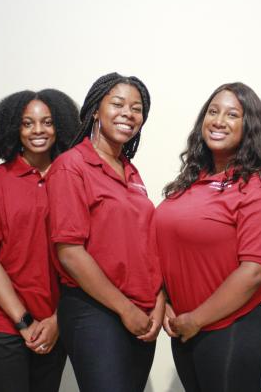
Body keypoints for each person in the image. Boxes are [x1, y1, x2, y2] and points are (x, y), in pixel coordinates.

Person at [154, 82, 261, 392]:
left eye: (232, 114)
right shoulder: (190, 181)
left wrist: (197, 318)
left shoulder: (260, 187)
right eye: (213, 112)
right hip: (185, 324)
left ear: (249, 126)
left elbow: (254, 271)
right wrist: (166, 302)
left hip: (235, 324)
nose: (218, 120)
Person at [46, 73, 164, 392]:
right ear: (96, 110)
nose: (128, 113)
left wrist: (158, 300)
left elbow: (144, 246)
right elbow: (69, 252)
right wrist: (125, 309)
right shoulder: (72, 166)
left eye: (137, 108)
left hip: (140, 314)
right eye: (118, 103)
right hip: (95, 310)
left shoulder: (130, 170)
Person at [0, 89, 79, 392]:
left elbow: (85, 255)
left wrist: (58, 320)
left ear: (60, 126)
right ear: (13, 129)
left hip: (55, 321)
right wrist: (24, 322)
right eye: (27, 123)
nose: (38, 131)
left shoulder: (72, 178)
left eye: (47, 122)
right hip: (3, 322)